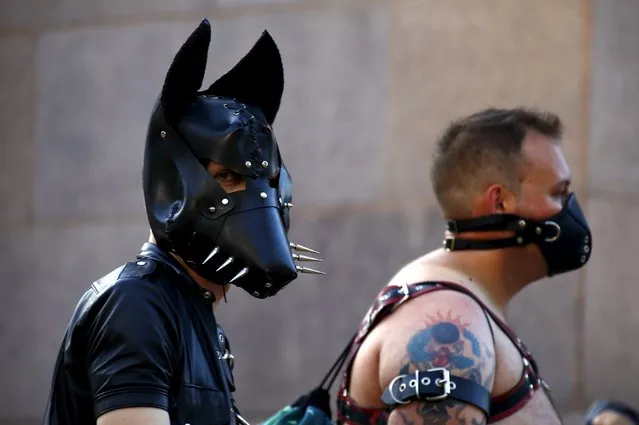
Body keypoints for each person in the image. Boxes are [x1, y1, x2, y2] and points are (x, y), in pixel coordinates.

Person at [43, 18, 323, 425]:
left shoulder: (190, 307)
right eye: (227, 176)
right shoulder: (137, 305)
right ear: (173, 180)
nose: (258, 200)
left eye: (267, 181)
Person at [334, 108, 592, 425]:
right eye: (559, 192)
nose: (570, 209)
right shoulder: (445, 317)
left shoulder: (462, 302)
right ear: (500, 202)